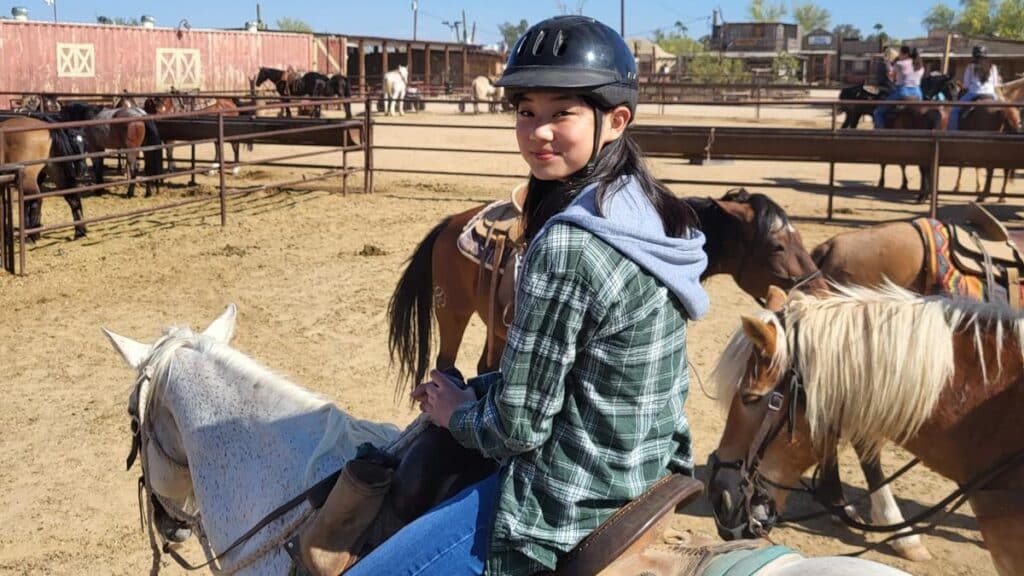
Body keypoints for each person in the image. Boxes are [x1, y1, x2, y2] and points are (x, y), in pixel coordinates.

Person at [346, 14, 709, 576]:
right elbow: (580, 370)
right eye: (526, 112)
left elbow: (517, 428)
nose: (538, 132)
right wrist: (488, 386)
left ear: (614, 121)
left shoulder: (568, 242)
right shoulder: (652, 211)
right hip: (647, 463)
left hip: (569, 494)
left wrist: (456, 412)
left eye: (561, 112)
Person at [948, 45, 1002, 130]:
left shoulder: (970, 67)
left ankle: (952, 133)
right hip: (991, 94)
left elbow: (966, 85)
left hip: (974, 94)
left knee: (954, 110)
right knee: (1004, 108)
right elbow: (995, 85)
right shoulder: (993, 67)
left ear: (974, 55)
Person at [873, 45, 925, 129]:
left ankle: (880, 132)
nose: (899, 55)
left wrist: (888, 65)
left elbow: (892, 78)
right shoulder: (920, 65)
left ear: (906, 54)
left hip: (903, 92)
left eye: (900, 53)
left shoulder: (899, 64)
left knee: (878, 112)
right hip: (918, 93)